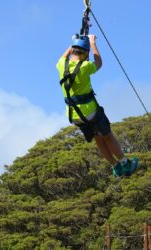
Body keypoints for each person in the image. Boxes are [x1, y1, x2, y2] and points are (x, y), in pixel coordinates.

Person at [56, 34, 138, 177]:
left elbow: (66, 54)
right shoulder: (85, 66)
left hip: (74, 115)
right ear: (85, 53)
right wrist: (93, 42)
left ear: (73, 50)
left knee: (97, 138)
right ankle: (125, 163)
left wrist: (75, 41)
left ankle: (115, 166)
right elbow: (98, 62)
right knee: (107, 136)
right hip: (90, 111)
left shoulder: (61, 64)